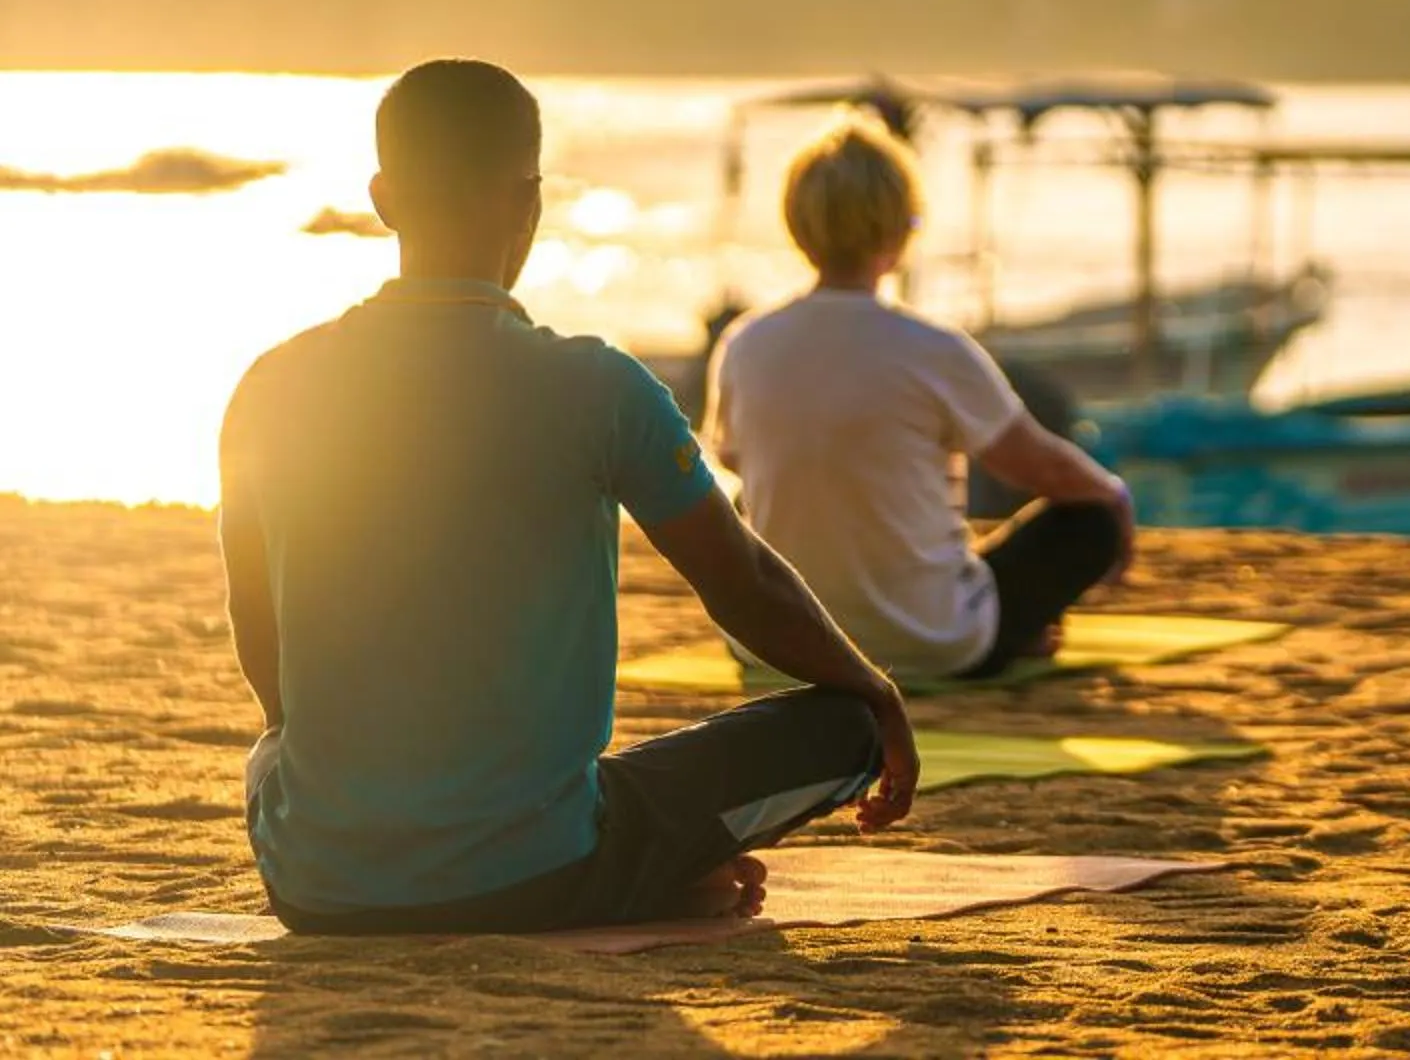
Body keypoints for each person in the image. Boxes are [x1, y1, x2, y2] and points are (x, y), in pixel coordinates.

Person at [220, 60, 919, 936]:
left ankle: (653, 871)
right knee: (844, 727)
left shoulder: (270, 386)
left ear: (384, 197)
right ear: (531, 202)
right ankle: (660, 875)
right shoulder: (596, 388)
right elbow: (743, 586)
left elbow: (263, 642)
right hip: (537, 872)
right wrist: (877, 691)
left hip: (319, 885)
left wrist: (364, 774)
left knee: (276, 751)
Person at [705, 115, 1134, 684]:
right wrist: (1115, 499)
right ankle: (1015, 631)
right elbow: (1043, 467)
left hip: (778, 642)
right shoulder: (933, 348)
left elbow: (733, 460)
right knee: (1091, 519)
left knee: (754, 499)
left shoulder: (745, 344)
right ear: (899, 233)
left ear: (797, 226)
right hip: (934, 643)